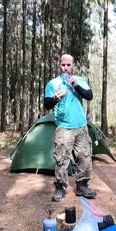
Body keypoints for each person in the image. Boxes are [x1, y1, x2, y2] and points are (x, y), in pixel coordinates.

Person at [44, 54, 97, 202]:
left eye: (68, 65)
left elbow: (89, 95)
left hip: (81, 126)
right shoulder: (53, 84)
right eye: (63, 65)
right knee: (61, 159)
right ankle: (60, 187)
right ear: (59, 65)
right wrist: (55, 99)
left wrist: (76, 85)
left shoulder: (79, 80)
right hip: (64, 127)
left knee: (85, 157)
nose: (66, 68)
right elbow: (46, 104)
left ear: (73, 65)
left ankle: (82, 185)